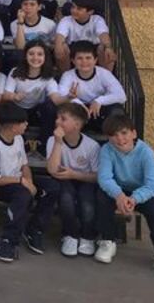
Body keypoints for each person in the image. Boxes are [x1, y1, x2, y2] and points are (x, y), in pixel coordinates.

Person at [95, 114, 154, 274]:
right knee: (102, 197)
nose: (120, 139)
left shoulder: (146, 152)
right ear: (108, 137)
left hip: (143, 191)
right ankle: (108, 241)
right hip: (118, 189)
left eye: (124, 133)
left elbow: (153, 184)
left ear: (134, 133)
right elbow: (104, 178)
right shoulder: (107, 150)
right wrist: (119, 196)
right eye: (114, 135)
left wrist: (134, 199)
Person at [0, 103, 59, 262]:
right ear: (13, 127)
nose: (27, 124)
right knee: (23, 196)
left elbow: (24, 165)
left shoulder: (18, 138)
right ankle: (8, 240)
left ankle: (34, 229)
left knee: (52, 188)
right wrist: (22, 181)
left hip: (21, 180)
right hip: (3, 185)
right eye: (23, 122)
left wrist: (29, 182)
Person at [46, 102, 100, 257]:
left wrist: (74, 174)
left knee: (87, 202)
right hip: (64, 179)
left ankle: (87, 236)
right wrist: (58, 142)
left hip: (86, 180)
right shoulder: (52, 140)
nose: (57, 121)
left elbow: (97, 177)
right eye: (57, 118)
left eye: (63, 119)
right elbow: (52, 170)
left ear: (77, 125)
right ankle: (70, 235)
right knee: (66, 199)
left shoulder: (92, 146)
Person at [57, 40, 126, 132]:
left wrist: (99, 101)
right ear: (73, 61)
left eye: (88, 58)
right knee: (61, 107)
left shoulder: (104, 73)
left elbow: (121, 96)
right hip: (78, 112)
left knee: (116, 109)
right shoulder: (68, 75)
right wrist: (79, 104)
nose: (84, 61)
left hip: (98, 110)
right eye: (80, 58)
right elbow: (61, 95)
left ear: (95, 60)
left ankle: (114, 136)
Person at [54, 0, 115, 71]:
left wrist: (108, 47)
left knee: (104, 48)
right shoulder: (66, 20)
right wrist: (58, 47)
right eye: (73, 7)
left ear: (90, 12)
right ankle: (66, 75)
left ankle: (106, 76)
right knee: (62, 47)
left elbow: (103, 35)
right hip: (73, 51)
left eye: (79, 9)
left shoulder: (97, 19)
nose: (74, 10)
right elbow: (60, 37)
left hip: (93, 50)